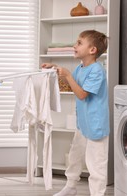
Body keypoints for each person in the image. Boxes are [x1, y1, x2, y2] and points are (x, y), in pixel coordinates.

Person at [42, 30, 109, 196]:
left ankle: (98, 194)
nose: (74, 45)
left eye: (79, 43)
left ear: (92, 50)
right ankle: (70, 187)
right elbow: (73, 85)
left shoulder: (97, 71)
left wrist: (68, 74)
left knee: (96, 165)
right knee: (74, 157)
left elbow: (81, 94)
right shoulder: (81, 68)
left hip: (96, 126)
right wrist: (56, 70)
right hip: (83, 124)